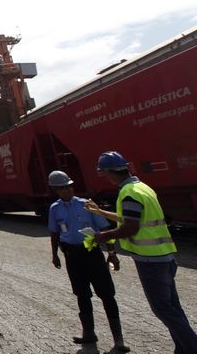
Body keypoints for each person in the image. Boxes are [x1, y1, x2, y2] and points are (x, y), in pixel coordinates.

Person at [87, 151, 197, 354]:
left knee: (162, 309)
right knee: (173, 308)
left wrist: (102, 237)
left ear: (111, 172)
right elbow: (129, 217)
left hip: (150, 260)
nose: (106, 178)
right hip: (165, 256)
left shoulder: (128, 193)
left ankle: (191, 347)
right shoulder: (141, 187)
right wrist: (101, 212)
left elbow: (130, 228)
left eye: (104, 173)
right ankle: (183, 348)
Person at [47, 170, 129, 353]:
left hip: (92, 253)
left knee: (107, 294)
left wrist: (112, 252)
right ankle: (89, 334)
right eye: (63, 188)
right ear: (56, 190)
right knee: (82, 294)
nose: (68, 190)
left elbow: (105, 228)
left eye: (69, 186)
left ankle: (119, 341)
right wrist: (54, 254)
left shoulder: (87, 205)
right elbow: (54, 233)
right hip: (72, 256)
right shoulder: (54, 209)